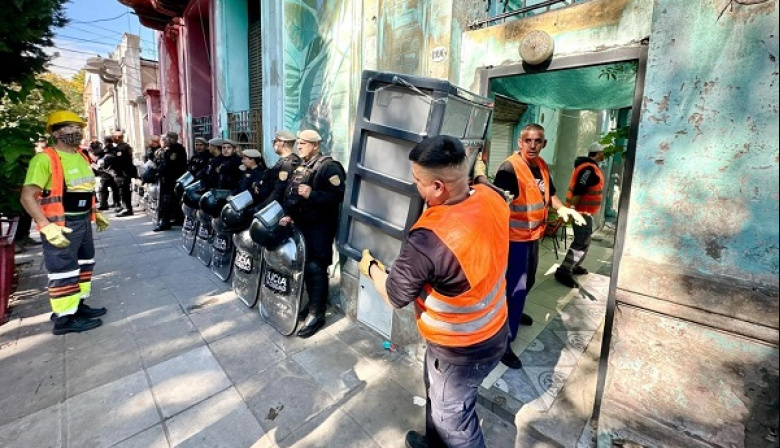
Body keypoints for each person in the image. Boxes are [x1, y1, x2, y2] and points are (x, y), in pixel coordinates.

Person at [360, 135, 509, 448]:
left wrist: (371, 268)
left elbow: (395, 296)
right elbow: (481, 183)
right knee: (437, 396)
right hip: (495, 330)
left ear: (439, 186)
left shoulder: (430, 241)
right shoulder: (490, 196)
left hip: (460, 349)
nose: (416, 187)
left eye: (418, 181)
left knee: (455, 423)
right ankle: (433, 443)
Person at [492, 123, 585, 369]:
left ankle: (515, 312)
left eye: (538, 141)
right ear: (520, 143)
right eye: (528, 140)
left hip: (534, 237)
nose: (532, 145)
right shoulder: (509, 168)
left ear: (543, 143)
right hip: (515, 240)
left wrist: (563, 207)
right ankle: (503, 343)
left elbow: (550, 194)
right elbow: (497, 204)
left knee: (528, 281)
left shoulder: (541, 166)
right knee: (515, 289)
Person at [19, 110, 110, 335]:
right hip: (61, 225)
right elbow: (27, 196)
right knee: (63, 271)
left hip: (82, 221)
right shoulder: (45, 159)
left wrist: (94, 212)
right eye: (70, 127)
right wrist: (46, 226)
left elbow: (83, 188)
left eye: (78, 127)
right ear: (56, 132)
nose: (77, 131)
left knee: (83, 264)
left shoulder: (81, 155)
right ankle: (64, 320)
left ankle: (76, 307)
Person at [279, 129, 345, 338]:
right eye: (298, 143)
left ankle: (317, 314)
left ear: (316, 145)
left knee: (316, 267)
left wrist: (313, 194)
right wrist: (288, 214)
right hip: (303, 225)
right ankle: (314, 304)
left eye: (304, 143)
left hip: (320, 227)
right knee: (307, 266)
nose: (299, 146)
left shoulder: (329, 167)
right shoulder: (302, 165)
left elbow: (339, 195)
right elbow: (292, 193)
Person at [554, 145, 605, 287]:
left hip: (584, 212)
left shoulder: (589, 167)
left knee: (585, 241)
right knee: (581, 242)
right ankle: (563, 271)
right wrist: (572, 210)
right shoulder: (588, 169)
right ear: (598, 153)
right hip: (580, 213)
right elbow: (578, 191)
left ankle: (574, 265)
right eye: (603, 152)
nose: (604, 155)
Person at [251, 130, 301, 210]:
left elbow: (278, 191)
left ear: (282, 143)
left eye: (275, 141)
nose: (273, 144)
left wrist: (261, 208)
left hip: (274, 208)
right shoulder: (284, 161)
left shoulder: (287, 164)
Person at [154, 131, 188, 231]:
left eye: (167, 138)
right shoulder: (169, 149)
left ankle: (165, 222)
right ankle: (177, 218)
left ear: (171, 139)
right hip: (169, 179)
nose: (165, 140)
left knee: (167, 201)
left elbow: (168, 164)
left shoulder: (176, 149)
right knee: (172, 200)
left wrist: (158, 171)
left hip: (172, 179)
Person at [107, 130, 136, 216]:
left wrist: (110, 161)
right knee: (122, 191)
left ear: (117, 137)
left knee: (124, 191)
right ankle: (125, 207)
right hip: (122, 172)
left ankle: (127, 208)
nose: (112, 139)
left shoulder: (122, 148)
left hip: (123, 172)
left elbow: (118, 160)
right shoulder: (122, 147)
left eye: (113, 137)